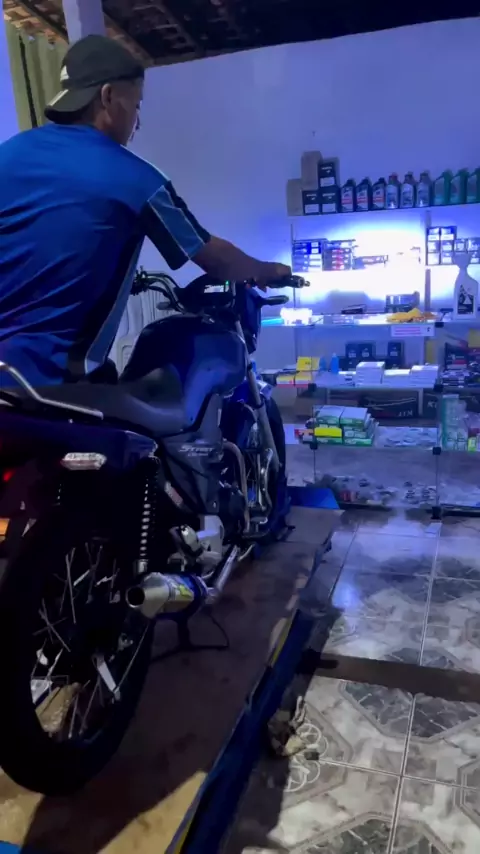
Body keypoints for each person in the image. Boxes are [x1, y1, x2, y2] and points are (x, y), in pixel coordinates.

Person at [0, 35, 291, 388]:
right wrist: (265, 270)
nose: (137, 123)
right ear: (108, 97)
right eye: (136, 105)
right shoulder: (136, 179)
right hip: (52, 385)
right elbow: (214, 258)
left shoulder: (9, 154)